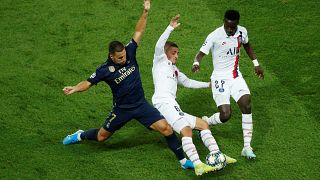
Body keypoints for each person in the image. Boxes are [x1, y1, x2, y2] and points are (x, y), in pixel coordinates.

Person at [62, 0, 194, 170]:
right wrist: (74, 88)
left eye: (124, 56)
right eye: (120, 58)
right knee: (102, 137)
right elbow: (88, 82)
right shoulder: (104, 70)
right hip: (122, 109)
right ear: (111, 56)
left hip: (140, 104)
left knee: (166, 129)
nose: (124, 59)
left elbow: (139, 30)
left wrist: (145, 12)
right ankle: (80, 135)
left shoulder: (129, 51)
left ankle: (183, 161)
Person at [152, 15, 237, 175]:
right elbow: (160, 44)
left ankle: (217, 155)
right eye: (174, 52)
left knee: (203, 124)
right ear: (165, 53)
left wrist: (208, 84)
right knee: (186, 129)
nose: (177, 55)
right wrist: (170, 27)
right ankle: (198, 165)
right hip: (164, 103)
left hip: (173, 105)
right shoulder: (159, 61)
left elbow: (188, 82)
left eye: (177, 53)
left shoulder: (175, 70)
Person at [192, 10, 264, 159]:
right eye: (228, 26)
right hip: (219, 79)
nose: (230, 30)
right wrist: (196, 62)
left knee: (246, 104)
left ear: (237, 23)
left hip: (235, 76)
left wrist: (256, 64)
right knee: (226, 115)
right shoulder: (214, 35)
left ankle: (246, 147)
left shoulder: (242, 32)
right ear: (224, 21)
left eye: (233, 27)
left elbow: (247, 45)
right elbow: (200, 53)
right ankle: (206, 122)